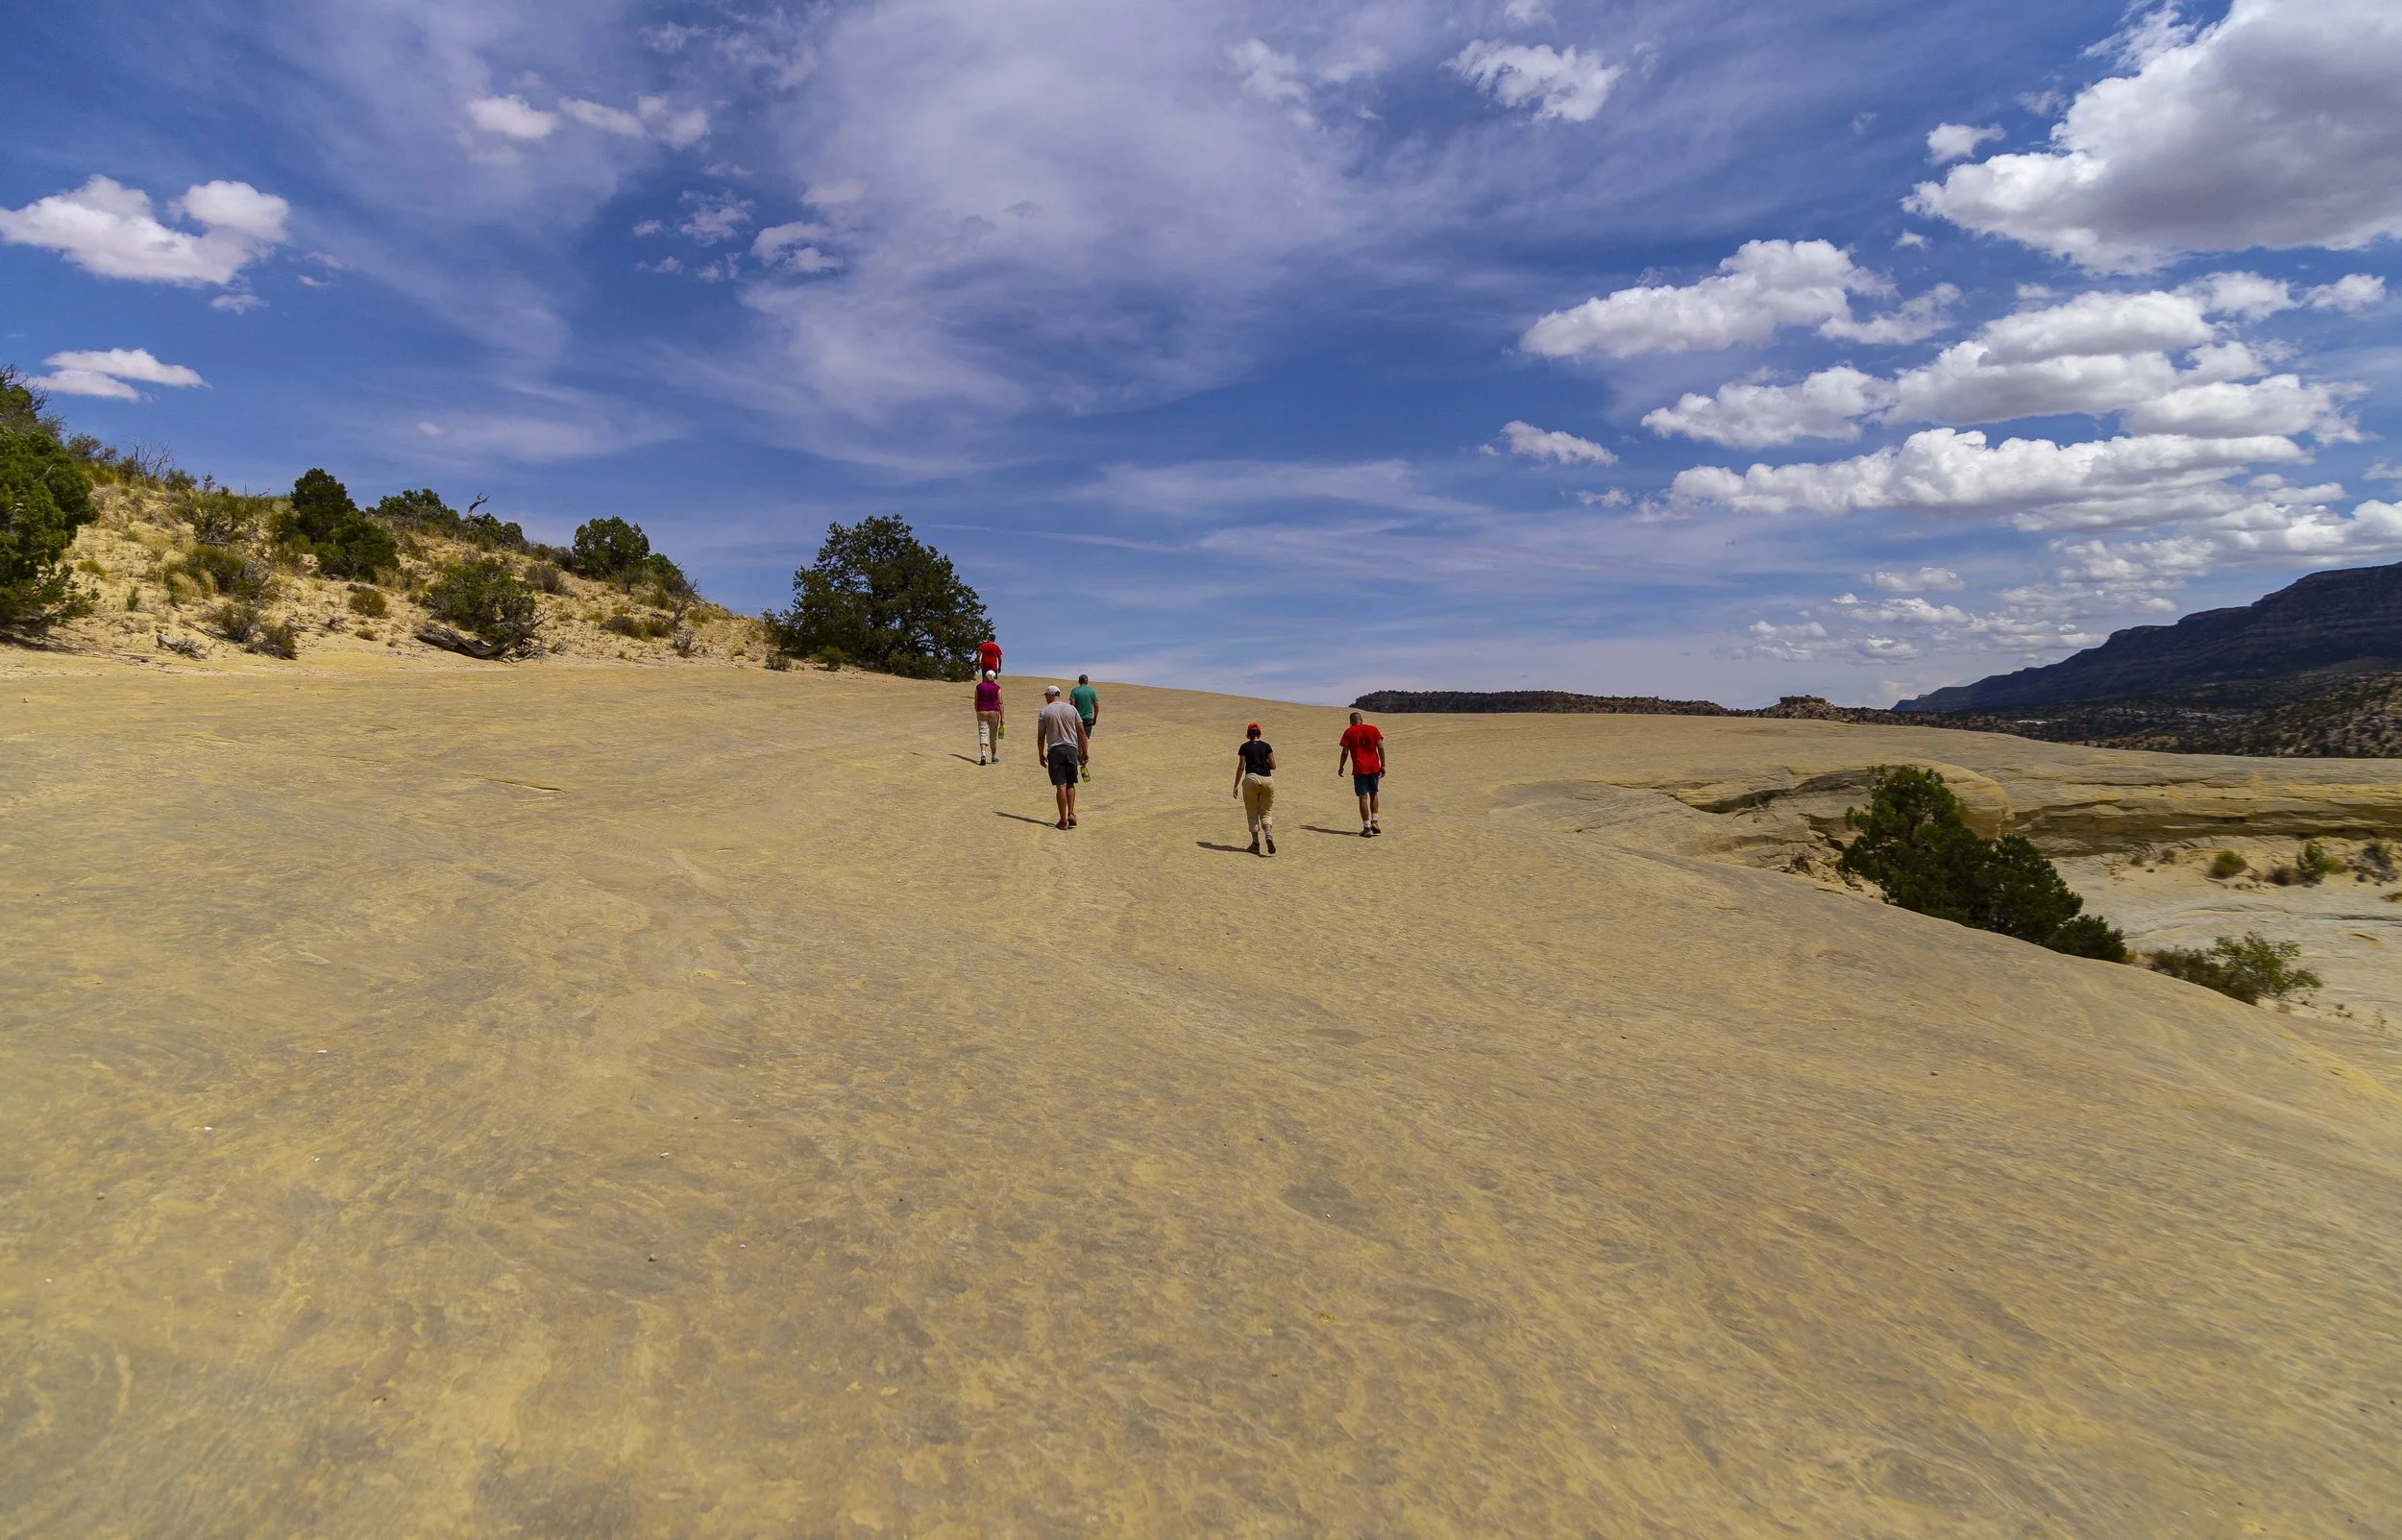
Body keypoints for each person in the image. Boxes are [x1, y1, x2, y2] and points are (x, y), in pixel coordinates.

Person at [1034, 684, 1089, 828]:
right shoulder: (1072, 709)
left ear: (1050, 696)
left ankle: (1063, 820)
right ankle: (1071, 813)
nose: (1045, 698)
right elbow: (1081, 731)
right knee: (1070, 782)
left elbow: (1041, 736)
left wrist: (1040, 754)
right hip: (1071, 749)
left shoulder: (1044, 711)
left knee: (1060, 785)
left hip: (1055, 750)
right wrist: (1084, 752)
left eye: (1046, 696)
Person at [1337, 709, 1385, 836]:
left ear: (1351, 722)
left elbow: (1345, 752)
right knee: (1374, 793)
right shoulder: (1373, 729)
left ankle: (1367, 827)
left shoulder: (1349, 732)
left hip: (1360, 768)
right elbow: (1380, 746)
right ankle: (1375, 820)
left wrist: (1341, 766)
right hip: (1374, 767)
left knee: (1363, 797)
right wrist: (1383, 765)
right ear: (1361, 720)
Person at [1232, 721, 1276, 856]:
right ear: (1259, 733)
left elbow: (1241, 766)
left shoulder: (1244, 747)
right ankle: (1268, 834)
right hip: (1268, 780)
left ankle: (1255, 843)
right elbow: (1273, 766)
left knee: (1252, 811)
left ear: (1248, 734)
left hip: (1251, 779)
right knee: (1266, 811)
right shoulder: (1267, 746)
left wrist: (1235, 785)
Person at [1068, 673, 1099, 782]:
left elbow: (1072, 704)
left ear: (1079, 681)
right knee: (1085, 737)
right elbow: (1096, 705)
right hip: (1088, 717)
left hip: (1077, 717)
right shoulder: (1092, 691)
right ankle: (1083, 756)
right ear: (1087, 681)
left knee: (1077, 737)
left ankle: (1079, 755)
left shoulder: (1074, 691)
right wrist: (1095, 717)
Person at [973, 671, 1004, 766]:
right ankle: (994, 756)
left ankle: (983, 754)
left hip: (981, 710)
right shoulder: (997, 688)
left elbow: (976, 700)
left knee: (983, 733)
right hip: (994, 711)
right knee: (993, 735)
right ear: (994, 677)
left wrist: (977, 710)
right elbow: (1000, 703)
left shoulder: (979, 686)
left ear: (985, 677)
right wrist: (1002, 717)